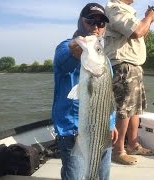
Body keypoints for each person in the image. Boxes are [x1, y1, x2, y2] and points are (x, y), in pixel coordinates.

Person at [51, 3, 118, 180]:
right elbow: (64, 61)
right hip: (73, 133)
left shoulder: (102, 58)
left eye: (101, 24)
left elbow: (106, 96)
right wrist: (77, 49)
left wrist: (111, 124)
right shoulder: (66, 47)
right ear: (80, 22)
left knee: (102, 176)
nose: (96, 27)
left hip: (102, 131)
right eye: (90, 21)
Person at [104, 0, 154, 165]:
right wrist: (148, 17)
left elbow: (141, 33)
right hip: (123, 65)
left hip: (133, 65)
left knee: (134, 108)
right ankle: (118, 150)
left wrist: (148, 19)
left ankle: (133, 144)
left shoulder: (125, 10)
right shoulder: (115, 8)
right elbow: (137, 31)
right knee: (124, 110)